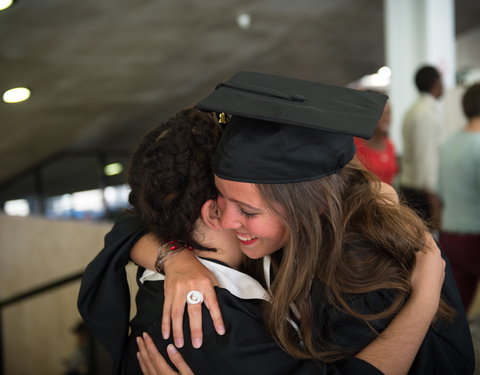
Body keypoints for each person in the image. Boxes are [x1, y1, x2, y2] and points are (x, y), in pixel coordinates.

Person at [78, 74, 474, 374]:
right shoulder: (234, 274)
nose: (232, 219)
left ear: (309, 205)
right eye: (220, 206)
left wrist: (423, 298)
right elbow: (136, 221)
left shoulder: (359, 268)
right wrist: (172, 256)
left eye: (246, 211)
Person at [438, 82, 480, 312]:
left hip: (450, 235)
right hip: (476, 237)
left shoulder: (448, 144)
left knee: (457, 310)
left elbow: (440, 191)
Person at [399, 65, 444, 226]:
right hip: (422, 194)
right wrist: (433, 200)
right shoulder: (425, 113)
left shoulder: (413, 110)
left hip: (414, 188)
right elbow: (425, 158)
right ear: (436, 83)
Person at [354, 92, 398, 185]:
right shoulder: (354, 145)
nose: (386, 119)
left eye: (388, 113)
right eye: (381, 114)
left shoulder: (390, 145)